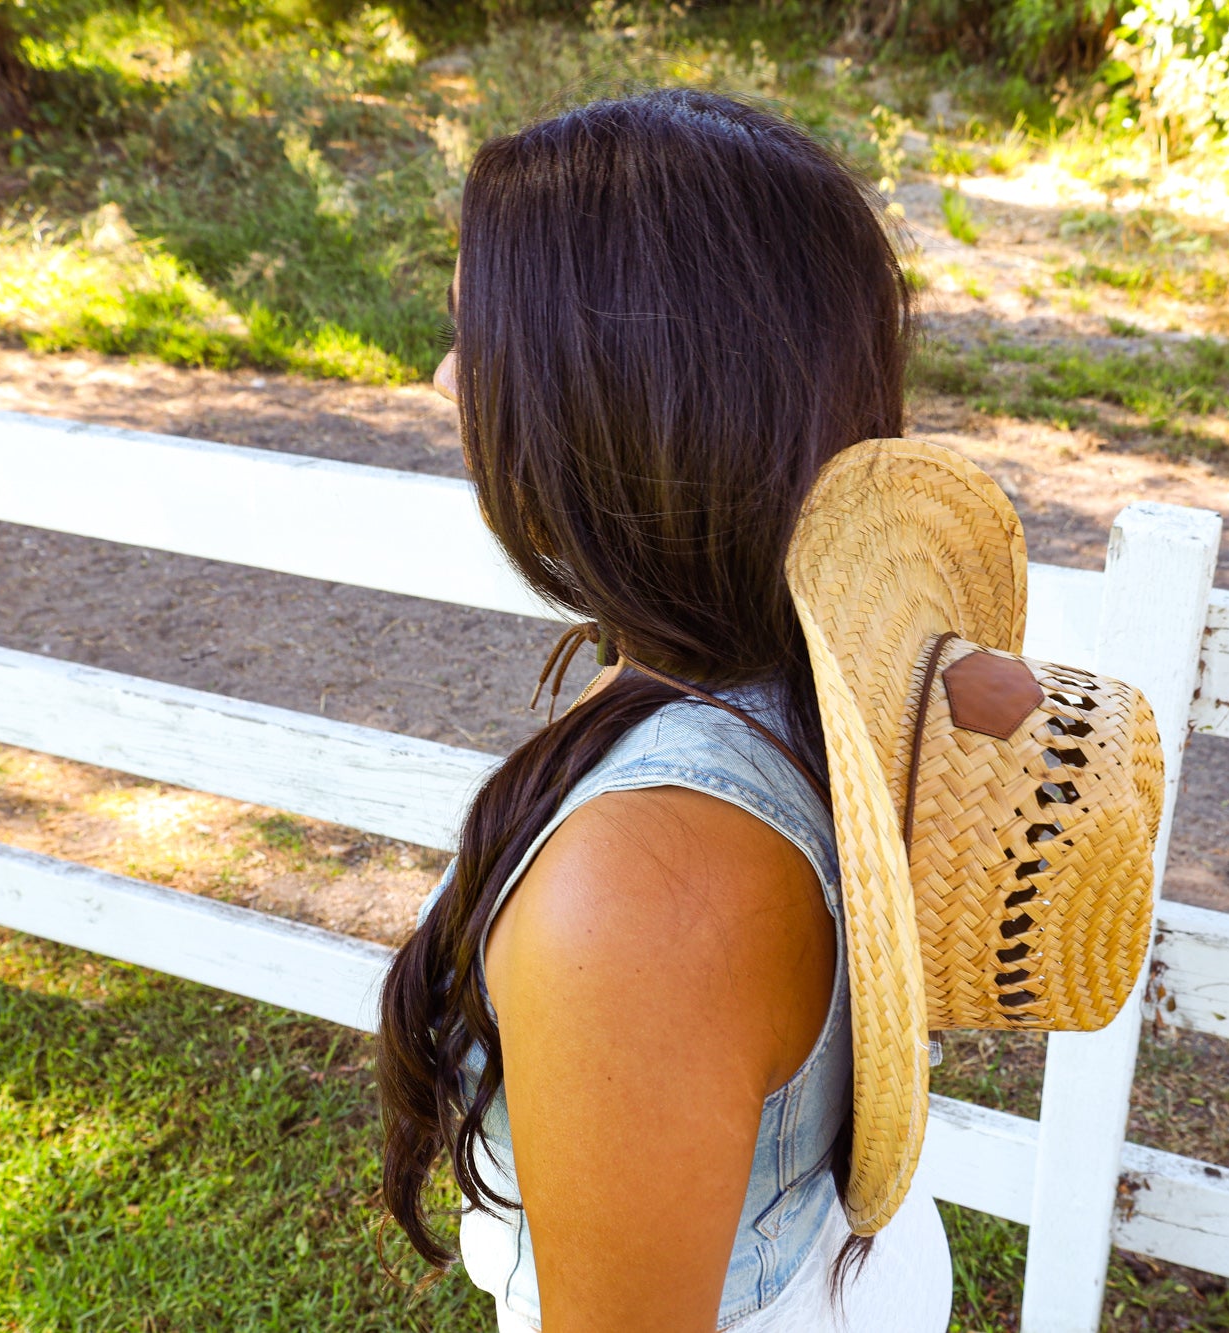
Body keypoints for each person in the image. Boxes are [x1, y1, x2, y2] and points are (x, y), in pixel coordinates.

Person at [377, 89, 954, 1333]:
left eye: (480, 339)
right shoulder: (832, 646)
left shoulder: (647, 884)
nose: (446, 381)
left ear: (615, 397)